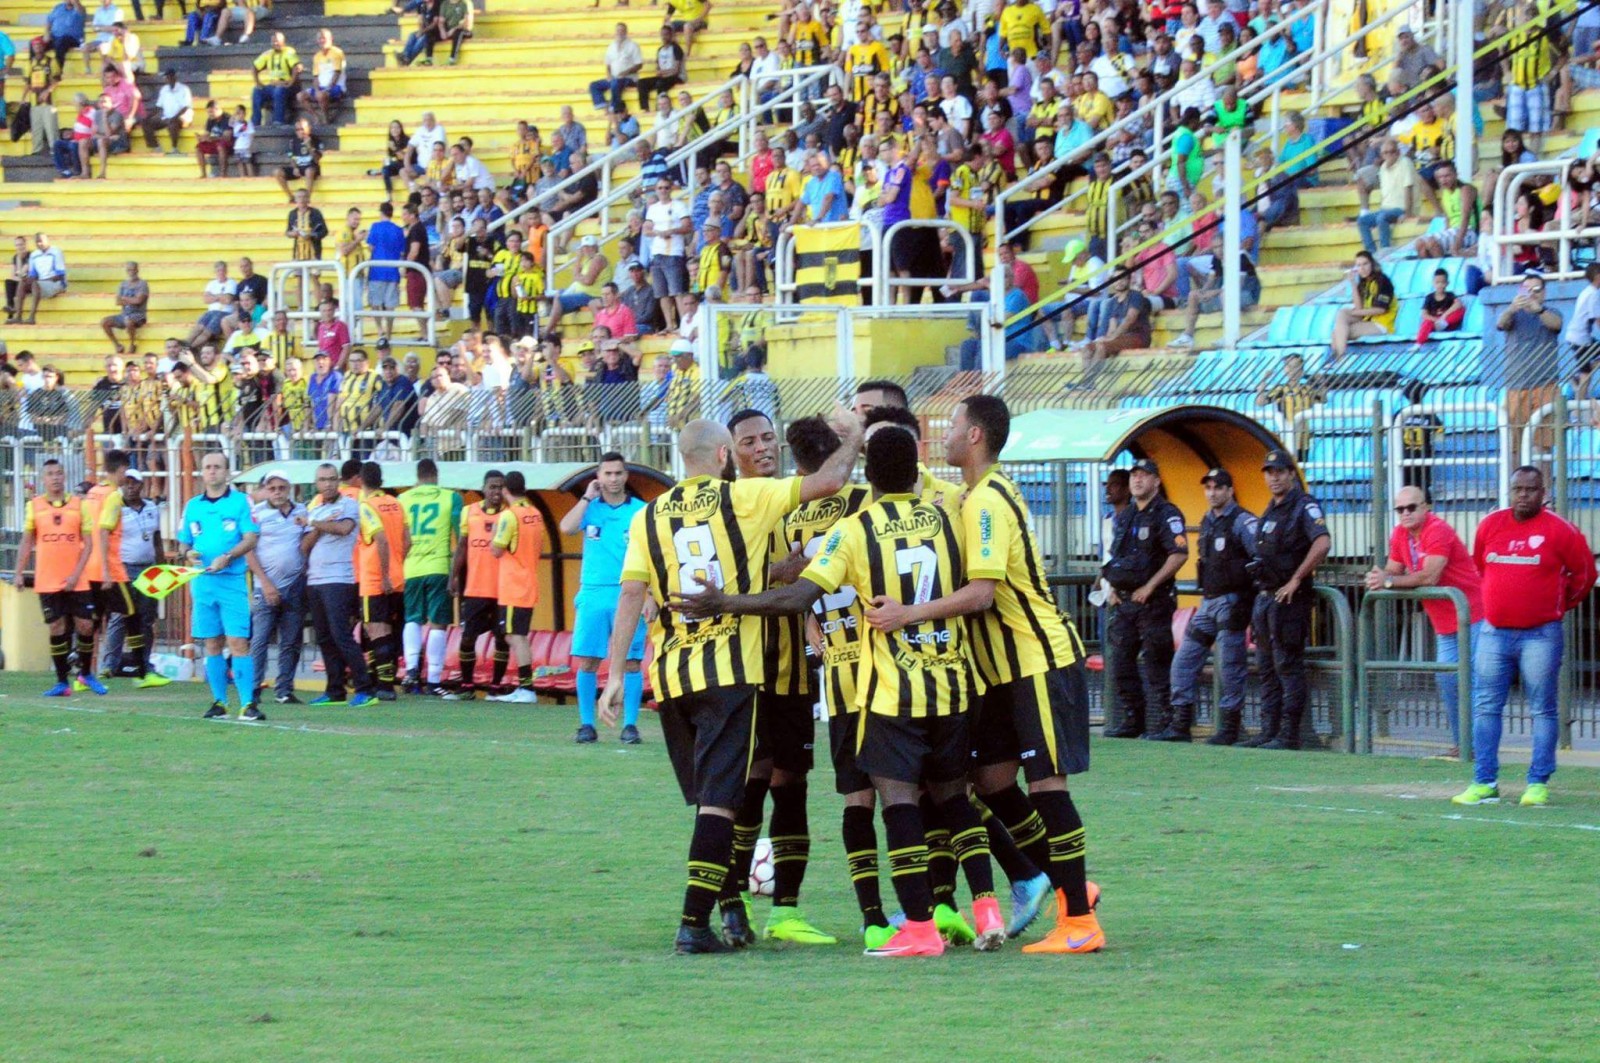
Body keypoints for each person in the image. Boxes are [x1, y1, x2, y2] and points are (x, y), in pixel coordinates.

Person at [671, 426, 1005, 957]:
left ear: (866, 476)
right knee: (950, 796)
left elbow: (799, 594)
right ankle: (984, 908)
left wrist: (727, 602)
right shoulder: (946, 519)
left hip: (879, 686)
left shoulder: (854, 527)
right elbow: (978, 587)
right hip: (950, 679)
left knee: (884, 801)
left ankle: (907, 923)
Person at [595, 410, 862, 955]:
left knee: (712, 801)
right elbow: (830, 481)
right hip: (729, 674)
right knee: (722, 803)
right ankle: (695, 924)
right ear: (724, 456)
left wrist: (616, 675)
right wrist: (855, 435)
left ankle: (730, 907)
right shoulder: (747, 498)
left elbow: (630, 596)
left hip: (670, 675)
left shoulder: (647, 517)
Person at [864, 395, 1103, 955]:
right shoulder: (973, 496)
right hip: (999, 673)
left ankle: (1080, 923)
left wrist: (907, 614)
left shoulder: (987, 501)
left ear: (974, 436)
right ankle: (1073, 889)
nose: (945, 435)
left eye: (952, 426)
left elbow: (981, 594)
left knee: (1048, 786)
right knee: (991, 782)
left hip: (1036, 659)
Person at [1453, 468, 1595, 807]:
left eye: (1530, 490)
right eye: (1517, 489)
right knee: (1486, 706)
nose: (1523, 496)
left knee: (1542, 709)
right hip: (1493, 631)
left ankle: (1538, 782)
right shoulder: (1490, 525)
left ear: (1542, 492)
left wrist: (1559, 605)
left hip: (1541, 634)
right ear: (1509, 490)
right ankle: (1484, 782)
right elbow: (1480, 567)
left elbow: (1585, 574)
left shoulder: (1561, 531)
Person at [1365, 486, 1485, 757]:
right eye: (1400, 509)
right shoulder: (1399, 534)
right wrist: (1379, 577)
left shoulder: (1437, 530)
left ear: (1426, 507)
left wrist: (1387, 580)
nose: (1405, 513)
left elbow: (1429, 576)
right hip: (1445, 622)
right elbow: (1392, 571)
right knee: (1448, 681)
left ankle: (1480, 746)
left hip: (1474, 614)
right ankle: (1463, 744)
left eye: (1411, 507)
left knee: (1476, 682)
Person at [1241, 450, 1331, 750]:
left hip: (1290, 599)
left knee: (1287, 666)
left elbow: (1322, 542)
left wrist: (1296, 578)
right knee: (1266, 668)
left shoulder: (1304, 506)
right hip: (1266, 597)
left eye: (1280, 471)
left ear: (1292, 474)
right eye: (1269, 471)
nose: (1274, 477)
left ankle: (1289, 734)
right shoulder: (1271, 509)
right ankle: (1269, 730)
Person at [1162, 468, 1257, 745]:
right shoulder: (1207, 520)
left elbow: (1259, 560)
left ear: (1230, 490)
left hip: (1232, 602)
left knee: (1230, 667)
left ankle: (1230, 727)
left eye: (1218, 488)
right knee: (1183, 661)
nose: (1212, 493)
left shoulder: (1242, 521)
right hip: (1209, 602)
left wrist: (1247, 599)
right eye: (1208, 488)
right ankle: (1180, 724)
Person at [559, 453, 649, 744]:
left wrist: (649, 594)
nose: (613, 479)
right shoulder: (590, 509)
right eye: (607, 474)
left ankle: (630, 726)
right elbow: (566, 528)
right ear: (599, 477)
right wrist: (586, 498)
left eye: (618, 473)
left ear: (626, 476)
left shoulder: (640, 511)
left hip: (629, 592)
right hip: (593, 592)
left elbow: (652, 554)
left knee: (632, 661)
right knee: (588, 660)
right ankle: (586, 724)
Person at [1099, 458, 1189, 740]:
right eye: (1134, 475)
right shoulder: (1125, 516)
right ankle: (1133, 719)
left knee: (1156, 663)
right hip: (1125, 602)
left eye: (1144, 475)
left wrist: (1150, 586)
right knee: (1121, 662)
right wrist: (1110, 587)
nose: (1137, 480)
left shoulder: (1166, 513)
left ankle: (1164, 723)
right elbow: (1116, 557)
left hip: (1154, 601)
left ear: (1157, 481)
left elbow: (1179, 554)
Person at [178, 451, 262, 720]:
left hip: (232, 581)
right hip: (202, 584)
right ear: (202, 472)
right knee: (211, 643)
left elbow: (251, 538)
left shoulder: (241, 502)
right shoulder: (193, 506)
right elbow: (184, 544)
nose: (212, 471)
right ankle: (219, 702)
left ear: (227, 472)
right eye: (207, 467)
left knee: (238, 642)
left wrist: (229, 557)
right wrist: (188, 554)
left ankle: (248, 704)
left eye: (217, 467)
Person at [12, 458, 103, 697]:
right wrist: (19, 572)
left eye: (59, 473)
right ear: (44, 479)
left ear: (65, 477)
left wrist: (76, 573)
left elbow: (89, 544)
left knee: (85, 624)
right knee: (56, 626)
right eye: (50, 473)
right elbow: (27, 541)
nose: (55, 477)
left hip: (77, 579)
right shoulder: (35, 506)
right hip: (48, 578)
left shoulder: (78, 505)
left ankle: (85, 673)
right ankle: (62, 682)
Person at [302, 463, 376, 707]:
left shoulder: (349, 505)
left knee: (341, 634)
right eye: (323, 479)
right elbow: (304, 547)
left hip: (338, 579)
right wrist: (318, 525)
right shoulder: (315, 510)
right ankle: (335, 690)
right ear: (317, 484)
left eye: (333, 479)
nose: (329, 484)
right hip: (315, 579)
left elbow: (344, 528)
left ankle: (365, 688)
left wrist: (316, 523)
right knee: (324, 637)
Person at [445, 469, 512, 700]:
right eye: (492, 487)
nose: (496, 492)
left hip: (502, 589)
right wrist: (454, 575)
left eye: (501, 487)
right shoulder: (469, 512)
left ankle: (495, 687)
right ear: (484, 489)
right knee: (467, 637)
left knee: (502, 638)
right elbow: (462, 546)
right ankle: (466, 685)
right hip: (475, 588)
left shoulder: (510, 514)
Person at [397, 458, 461, 696]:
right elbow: (459, 535)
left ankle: (412, 670)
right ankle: (434, 680)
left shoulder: (403, 499)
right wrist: (457, 573)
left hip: (411, 566)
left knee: (412, 618)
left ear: (418, 476)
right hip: (438, 566)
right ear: (436, 475)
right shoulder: (450, 497)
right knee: (438, 622)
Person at [246, 471, 309, 706]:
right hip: (266, 585)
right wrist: (264, 582)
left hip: (294, 583)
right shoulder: (257, 514)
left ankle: (284, 688)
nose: (277, 493)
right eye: (272, 488)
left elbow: (306, 541)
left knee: (291, 640)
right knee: (260, 639)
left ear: (289, 488)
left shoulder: (302, 511)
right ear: (265, 490)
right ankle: (252, 687)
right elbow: (249, 550)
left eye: (281, 488)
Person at [98, 469, 166, 683]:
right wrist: (107, 568)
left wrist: (162, 566)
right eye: (126, 482)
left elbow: (157, 539)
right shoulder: (116, 508)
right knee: (120, 616)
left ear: (141, 485)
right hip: (124, 567)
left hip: (148, 568)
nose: (130, 486)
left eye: (134, 483)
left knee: (146, 618)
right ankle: (109, 664)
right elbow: (105, 537)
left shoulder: (152, 508)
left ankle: (144, 664)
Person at [486, 471, 545, 704]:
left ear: (505, 491)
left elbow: (496, 549)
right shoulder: (535, 513)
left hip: (513, 585)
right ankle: (525, 685)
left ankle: (526, 687)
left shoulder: (509, 516)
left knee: (515, 635)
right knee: (514, 634)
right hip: (528, 581)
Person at [356, 461, 406, 699]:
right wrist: (397, 565)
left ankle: (385, 686)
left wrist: (385, 573)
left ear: (361, 481)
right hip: (398, 577)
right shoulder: (396, 504)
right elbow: (408, 541)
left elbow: (381, 540)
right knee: (386, 629)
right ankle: (380, 681)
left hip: (376, 577)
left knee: (377, 630)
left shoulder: (367, 507)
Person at [1330, 250, 1396, 360]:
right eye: (1359, 265)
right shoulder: (1364, 282)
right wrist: (1353, 283)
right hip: (1368, 320)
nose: (1362, 268)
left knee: (1337, 334)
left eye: (1365, 264)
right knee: (1342, 314)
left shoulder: (1383, 281)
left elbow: (1380, 310)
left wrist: (1357, 312)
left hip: (1381, 323)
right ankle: (1338, 360)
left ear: (1372, 264)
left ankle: (1339, 359)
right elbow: (1359, 307)